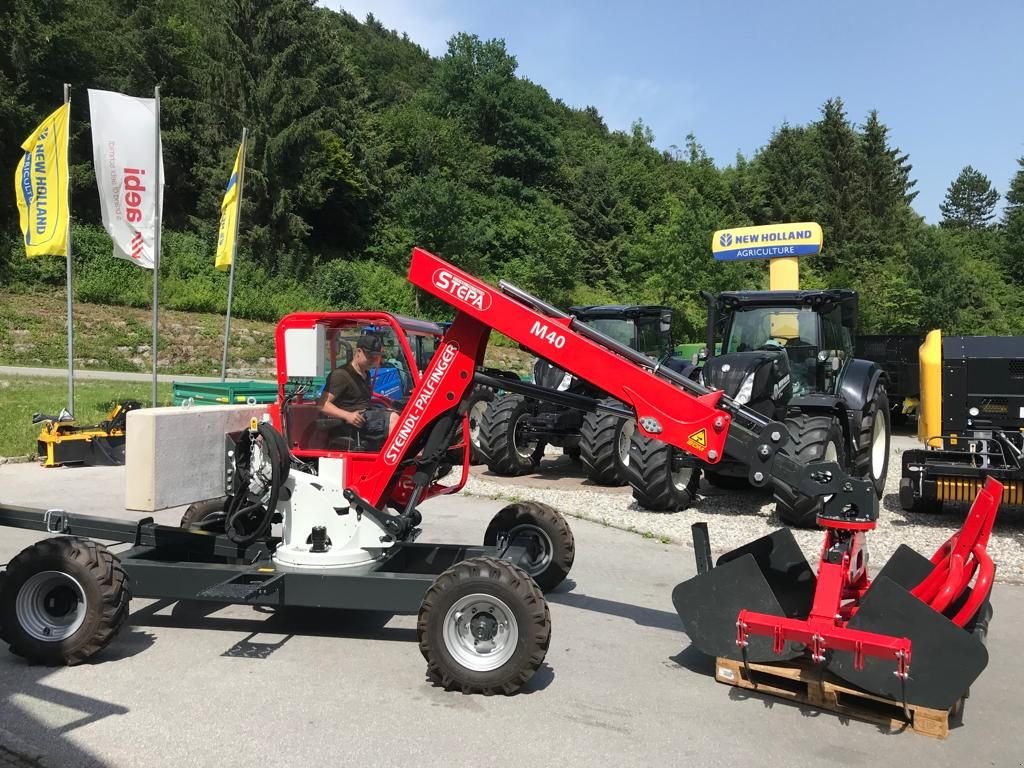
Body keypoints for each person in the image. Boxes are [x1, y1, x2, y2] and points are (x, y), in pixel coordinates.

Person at [318, 333, 400, 445]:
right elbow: (322, 404)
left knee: (401, 414)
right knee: (393, 418)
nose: (373, 360)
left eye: (376, 357)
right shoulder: (341, 375)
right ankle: (393, 460)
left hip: (364, 420)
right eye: (370, 356)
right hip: (350, 425)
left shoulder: (366, 374)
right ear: (358, 352)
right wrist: (347, 415)